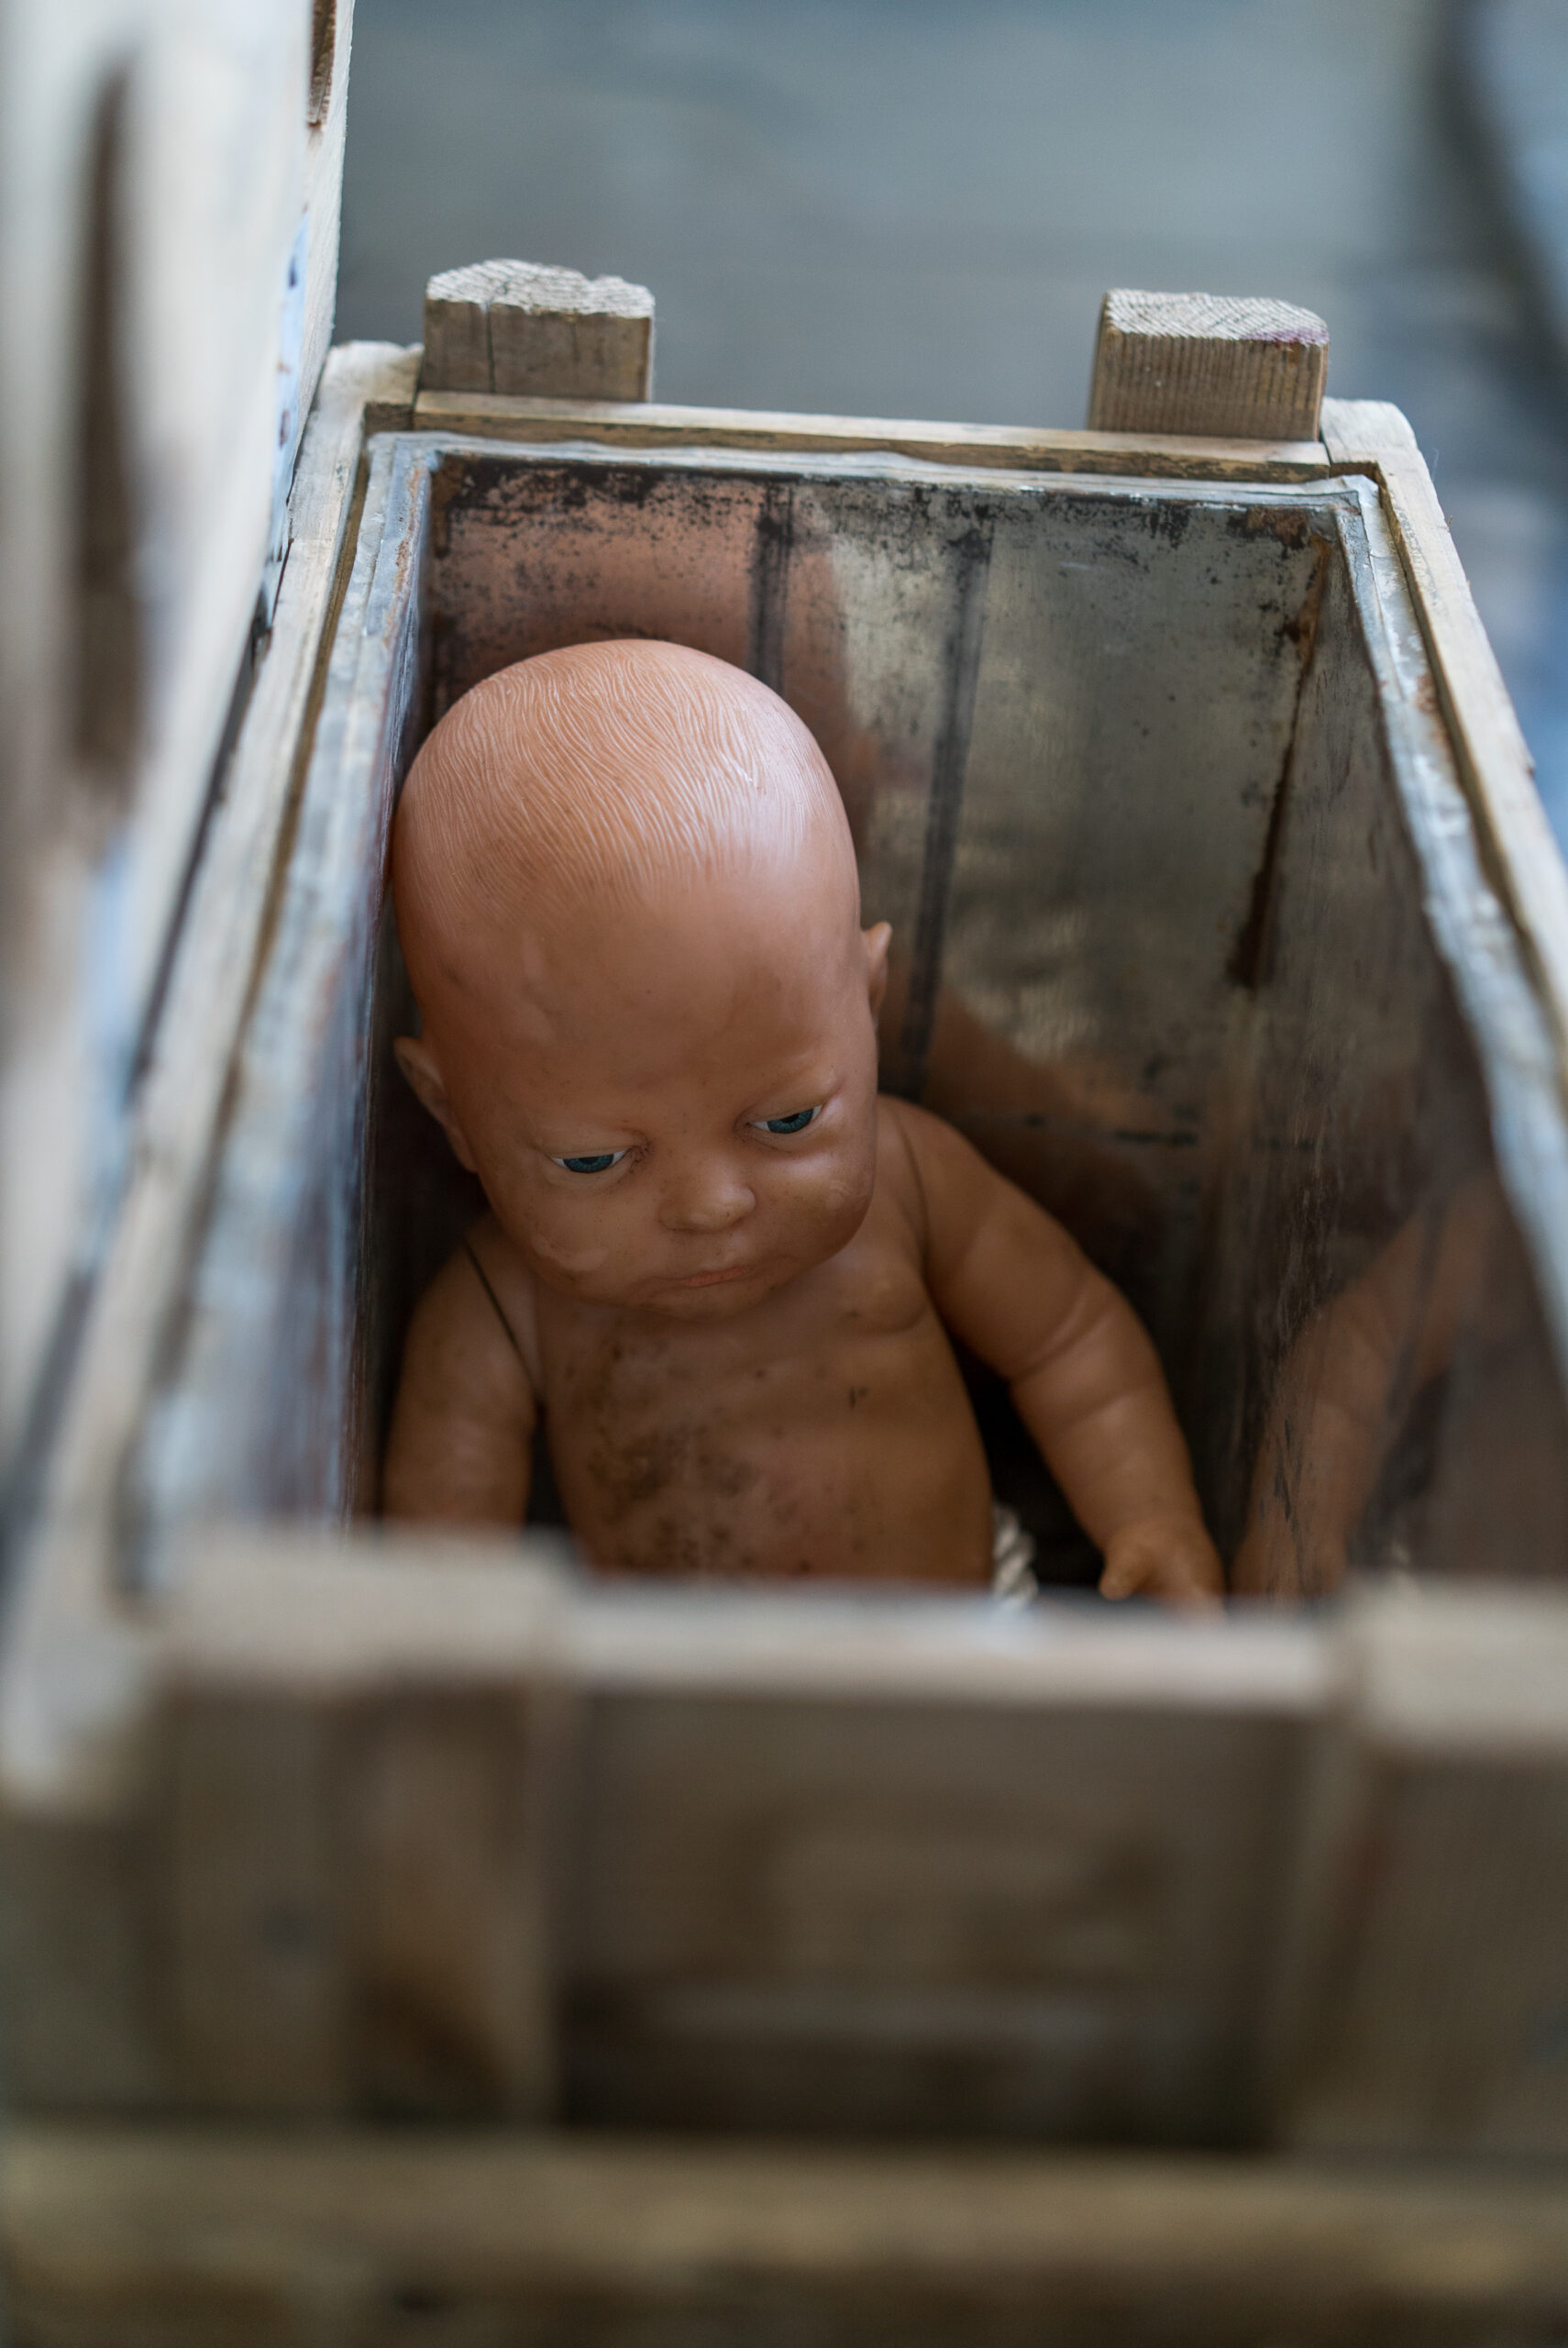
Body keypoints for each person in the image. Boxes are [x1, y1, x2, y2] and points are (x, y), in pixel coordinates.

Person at [382, 638, 1221, 1605]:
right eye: (595, 1158)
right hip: (671, 1718)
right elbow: (440, 1565)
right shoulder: (504, 1304)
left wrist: (1151, 1519)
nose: (711, 1204)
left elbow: (1071, 1342)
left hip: (968, 1647)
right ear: (452, 1114)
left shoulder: (912, 1184)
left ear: (867, 1008)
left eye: (784, 1122)